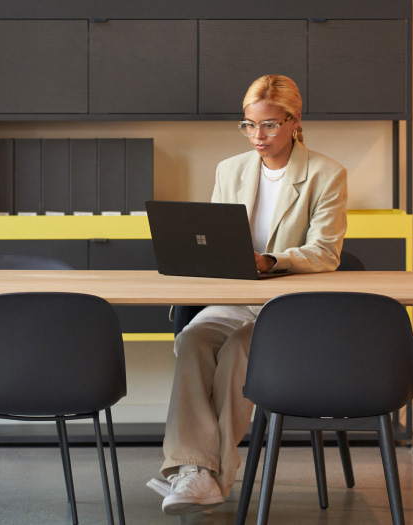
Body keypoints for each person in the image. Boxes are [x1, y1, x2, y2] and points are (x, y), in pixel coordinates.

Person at [147, 74, 348, 515]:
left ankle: (205, 474)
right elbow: (215, 238)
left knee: (240, 348)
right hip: (233, 297)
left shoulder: (326, 174)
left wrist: (271, 261)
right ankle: (196, 474)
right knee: (194, 340)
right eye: (249, 125)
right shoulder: (230, 169)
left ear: (294, 121)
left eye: (270, 125)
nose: (258, 136)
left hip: (288, 308)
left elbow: (326, 253)